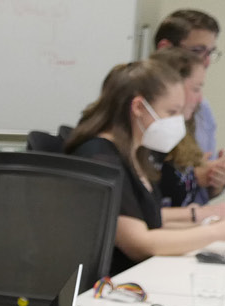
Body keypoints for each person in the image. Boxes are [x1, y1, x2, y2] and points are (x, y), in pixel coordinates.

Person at [66, 58, 225, 276]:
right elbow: (140, 243)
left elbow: (153, 223)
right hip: (110, 287)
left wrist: (207, 226)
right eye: (171, 112)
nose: (178, 122)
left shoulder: (136, 155)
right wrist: (216, 232)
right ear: (139, 107)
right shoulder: (101, 158)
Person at [147, 48, 225, 219]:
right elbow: (146, 218)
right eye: (196, 89)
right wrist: (208, 218)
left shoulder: (182, 131)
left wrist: (208, 179)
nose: (200, 99)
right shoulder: (150, 142)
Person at [155, 9, 224, 160]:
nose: (206, 62)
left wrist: (214, 176)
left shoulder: (202, 109)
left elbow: (206, 163)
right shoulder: (141, 106)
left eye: (210, 52)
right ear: (165, 48)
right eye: (198, 50)